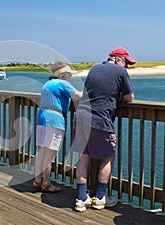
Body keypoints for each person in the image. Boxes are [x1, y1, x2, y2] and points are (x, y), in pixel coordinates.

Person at [71, 47, 136, 211]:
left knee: (83, 158)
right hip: (101, 120)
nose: (127, 66)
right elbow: (130, 98)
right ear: (118, 59)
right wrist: (118, 96)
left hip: (80, 118)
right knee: (108, 157)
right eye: (126, 63)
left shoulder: (94, 68)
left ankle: (81, 198)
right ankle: (99, 198)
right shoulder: (120, 72)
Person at [33, 61, 82, 192]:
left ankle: (37, 180)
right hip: (55, 120)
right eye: (68, 73)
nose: (70, 76)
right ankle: (46, 183)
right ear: (62, 74)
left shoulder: (47, 84)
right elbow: (79, 96)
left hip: (42, 117)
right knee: (50, 153)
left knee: (42, 151)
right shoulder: (63, 84)